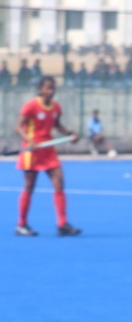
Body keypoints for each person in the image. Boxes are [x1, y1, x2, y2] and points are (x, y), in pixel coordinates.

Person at [14, 76, 81, 237]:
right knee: (29, 187)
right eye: (48, 88)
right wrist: (29, 140)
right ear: (40, 89)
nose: (51, 92)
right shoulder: (31, 106)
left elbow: (56, 124)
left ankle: (62, 224)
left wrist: (69, 134)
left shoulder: (56, 107)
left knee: (59, 181)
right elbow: (18, 127)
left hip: (48, 150)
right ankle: (21, 224)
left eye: (53, 88)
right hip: (33, 151)